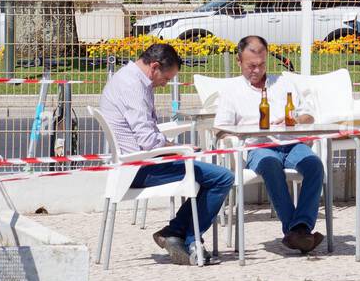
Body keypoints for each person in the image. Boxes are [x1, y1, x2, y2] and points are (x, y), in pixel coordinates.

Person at [99, 43, 234, 265]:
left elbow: (147, 134)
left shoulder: (128, 78)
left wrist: (175, 147)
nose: (165, 84)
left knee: (208, 173)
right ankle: (188, 240)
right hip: (140, 167)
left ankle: (175, 234)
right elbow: (148, 141)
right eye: (167, 78)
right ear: (154, 67)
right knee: (222, 177)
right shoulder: (134, 87)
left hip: (135, 163)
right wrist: (180, 148)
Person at [214, 35, 326, 254]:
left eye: (262, 65)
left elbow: (308, 116)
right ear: (239, 62)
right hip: (258, 146)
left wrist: (293, 120)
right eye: (251, 66)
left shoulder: (283, 82)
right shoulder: (232, 91)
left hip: (290, 142)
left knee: (314, 165)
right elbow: (220, 129)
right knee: (270, 165)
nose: (257, 70)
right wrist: (248, 130)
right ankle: (296, 230)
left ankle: (299, 228)